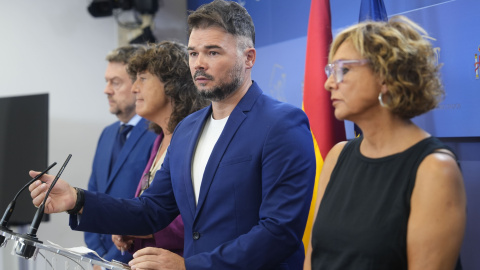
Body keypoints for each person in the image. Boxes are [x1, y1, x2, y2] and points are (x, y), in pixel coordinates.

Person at [29, 1, 316, 269]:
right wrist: (77, 199)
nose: (199, 63)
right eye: (193, 53)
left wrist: (189, 266)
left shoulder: (281, 123)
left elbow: (279, 233)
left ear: (249, 57)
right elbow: (151, 210)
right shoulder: (188, 129)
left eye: (212, 52)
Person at [304, 16, 466, 270]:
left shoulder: (435, 169)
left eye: (344, 69)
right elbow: (313, 258)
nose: (328, 83)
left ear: (386, 76)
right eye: (330, 70)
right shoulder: (337, 157)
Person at [111, 41, 209, 256]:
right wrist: (127, 227)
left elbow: (205, 219)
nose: (134, 87)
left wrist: (143, 230)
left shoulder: (198, 140)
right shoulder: (158, 140)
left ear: (172, 85)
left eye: (143, 79)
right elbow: (148, 205)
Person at [85, 44, 157, 266]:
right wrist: (98, 256)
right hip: (101, 261)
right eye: (107, 81)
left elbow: (153, 208)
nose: (107, 90)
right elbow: (93, 197)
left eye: (115, 82)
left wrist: (114, 262)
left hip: (134, 259)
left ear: (138, 85)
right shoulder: (106, 135)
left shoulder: (158, 132)